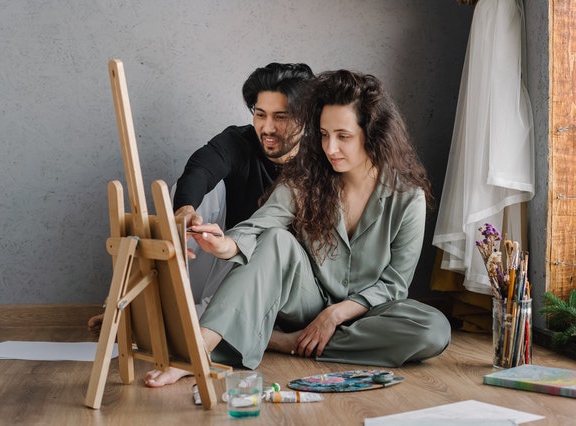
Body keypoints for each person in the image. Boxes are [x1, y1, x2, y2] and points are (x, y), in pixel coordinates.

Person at [144, 69, 451, 387]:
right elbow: (260, 224)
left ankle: (278, 341)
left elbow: (394, 284)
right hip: (306, 300)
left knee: (433, 329)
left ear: (372, 134)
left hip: (364, 315)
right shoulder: (305, 179)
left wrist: (335, 315)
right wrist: (224, 245)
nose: (330, 148)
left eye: (343, 136)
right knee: (277, 240)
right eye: (323, 134)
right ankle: (198, 350)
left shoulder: (406, 197)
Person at [87, 62, 314, 334]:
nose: (267, 128)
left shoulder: (321, 162)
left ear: (305, 119)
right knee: (193, 194)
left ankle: (188, 321)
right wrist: (183, 212)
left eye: (281, 117)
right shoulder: (240, 141)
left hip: (278, 282)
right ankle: (153, 304)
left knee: (263, 242)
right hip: (221, 257)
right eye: (260, 114)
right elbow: (201, 168)